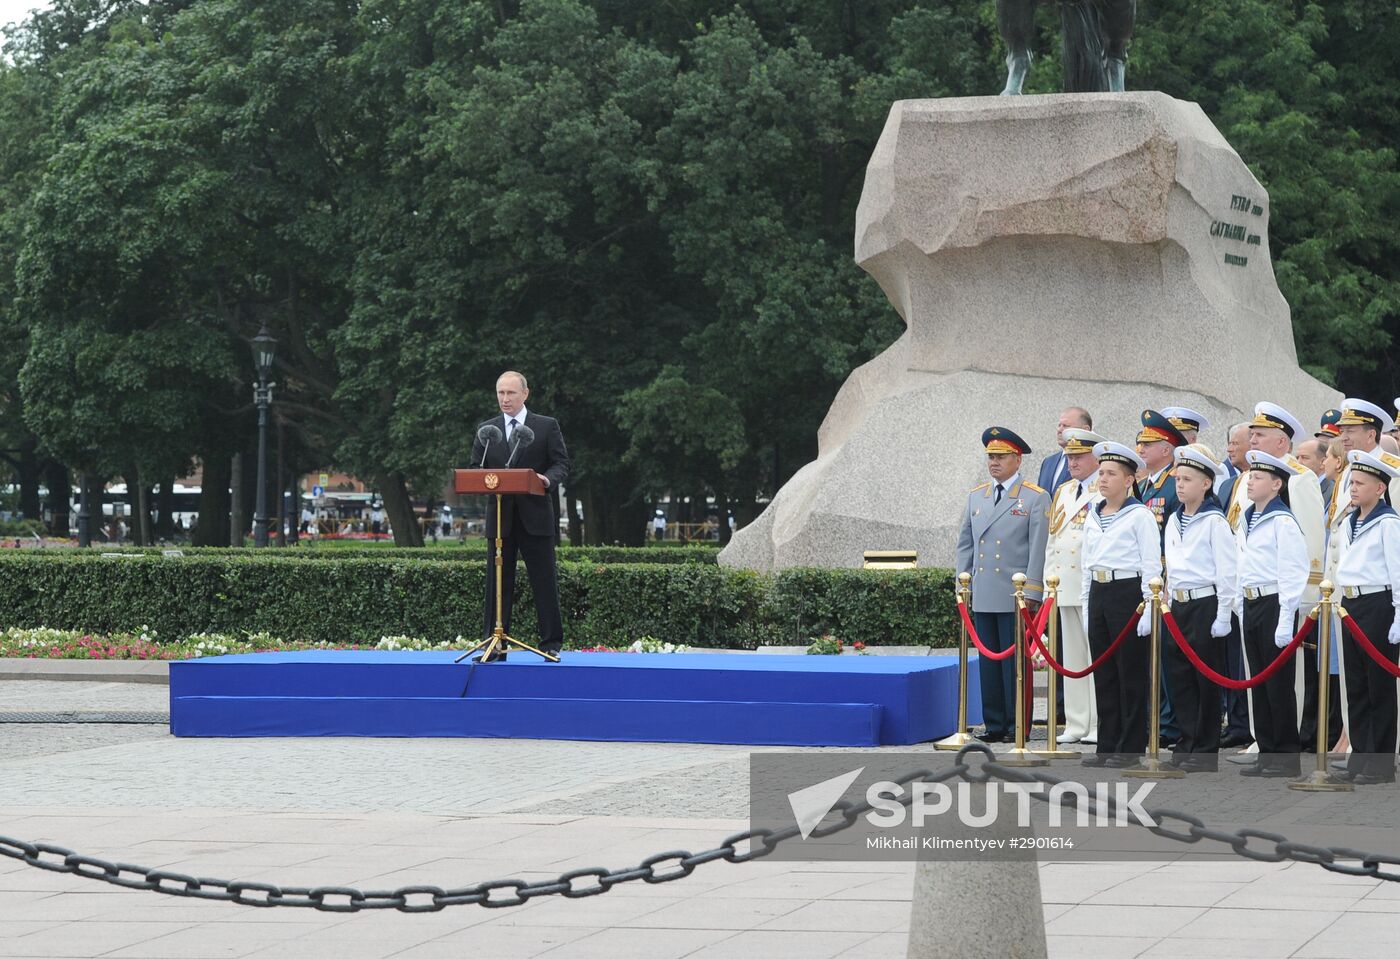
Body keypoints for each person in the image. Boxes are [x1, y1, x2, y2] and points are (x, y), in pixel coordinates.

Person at [956, 427, 1049, 744]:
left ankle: (1016, 723)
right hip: (983, 593)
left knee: (1014, 663)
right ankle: (994, 723)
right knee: (988, 663)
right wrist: (962, 584)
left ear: (1017, 459)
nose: (994, 462)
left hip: (1015, 595)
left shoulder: (1034, 497)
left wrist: (1033, 592)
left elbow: (1038, 548)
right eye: (990, 457)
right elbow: (965, 545)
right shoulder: (976, 497)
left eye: (1000, 457)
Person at [469, 370, 571, 661]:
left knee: (544, 580)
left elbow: (561, 463)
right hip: (500, 518)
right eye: (500, 393)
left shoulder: (546, 426)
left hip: (536, 517)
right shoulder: (487, 431)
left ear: (525, 394)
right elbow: (476, 467)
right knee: (497, 582)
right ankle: (495, 644)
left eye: (510, 393)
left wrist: (546, 480)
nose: (505, 399)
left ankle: (551, 643)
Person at [1079, 441, 1159, 769]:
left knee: (1131, 673)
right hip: (1100, 589)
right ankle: (1107, 743)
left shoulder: (1140, 515)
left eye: (1112, 474)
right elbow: (1086, 565)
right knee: (1105, 673)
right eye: (1101, 473)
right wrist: (1087, 606)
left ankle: (1130, 746)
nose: (1103, 479)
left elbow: (1151, 565)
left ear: (1129, 480)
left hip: (1128, 593)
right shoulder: (1094, 514)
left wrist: (1149, 606)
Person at [1163, 444, 1237, 771]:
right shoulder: (1173, 519)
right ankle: (1186, 742)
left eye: (1187, 479)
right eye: (1178, 479)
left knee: (1205, 680)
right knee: (1179, 677)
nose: (1180, 485)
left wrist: (1223, 614)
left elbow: (1227, 570)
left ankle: (1205, 750)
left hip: (1205, 603)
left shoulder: (1214, 521)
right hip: (1178, 605)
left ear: (1206, 484)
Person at [1236, 450, 1309, 778]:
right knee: (1259, 683)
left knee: (1278, 684)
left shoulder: (1283, 521)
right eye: (1251, 476)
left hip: (1274, 602)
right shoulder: (1247, 516)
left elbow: (1293, 571)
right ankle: (1267, 750)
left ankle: (1285, 755)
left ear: (1277, 484)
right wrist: (1239, 605)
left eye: (1258, 477)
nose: (1250, 481)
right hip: (1251, 603)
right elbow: (1242, 563)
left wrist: (1285, 618)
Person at [1333, 449, 1400, 784]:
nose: (1354, 489)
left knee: (1379, 686)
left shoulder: (1389, 523)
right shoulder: (1349, 521)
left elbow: (1397, 571)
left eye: (1360, 483)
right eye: (1351, 483)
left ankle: (1381, 763)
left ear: (1380, 488)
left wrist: (1398, 616)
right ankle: (1360, 756)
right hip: (1352, 604)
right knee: (1356, 685)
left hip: (1378, 603)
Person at [1041, 427, 1105, 745]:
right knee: (1072, 659)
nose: (1072, 462)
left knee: (1094, 657)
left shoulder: (1104, 489)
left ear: (1094, 456)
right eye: (1069, 456)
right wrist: (1047, 585)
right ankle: (1077, 722)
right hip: (1065, 584)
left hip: (1091, 586)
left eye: (1078, 456)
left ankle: (1097, 722)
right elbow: (1054, 540)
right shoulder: (1064, 491)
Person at [1038, 407, 1092, 493]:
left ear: (1085, 430)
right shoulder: (1048, 462)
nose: (1059, 430)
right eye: (1059, 425)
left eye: (1066, 426)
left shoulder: (1094, 462)